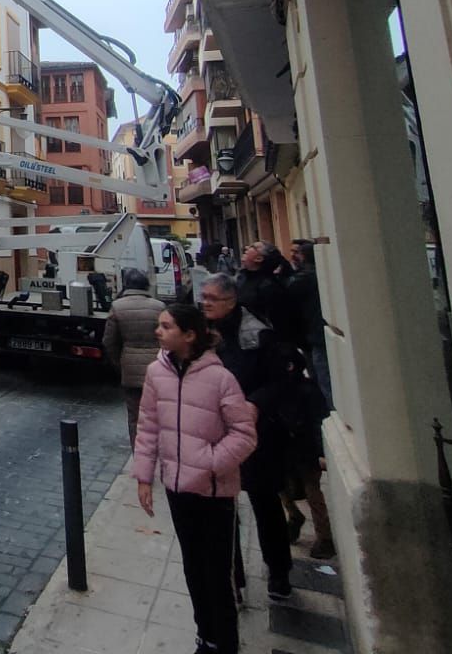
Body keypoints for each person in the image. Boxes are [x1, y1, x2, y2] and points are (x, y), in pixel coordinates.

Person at [134, 303, 257, 654]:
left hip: (214, 491)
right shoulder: (156, 374)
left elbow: (245, 434)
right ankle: (206, 638)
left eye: (166, 326)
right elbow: (148, 427)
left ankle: (226, 642)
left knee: (217, 574)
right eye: (159, 325)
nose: (159, 332)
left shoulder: (221, 378)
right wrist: (144, 476)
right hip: (176, 487)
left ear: (189, 335)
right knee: (192, 566)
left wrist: (210, 462)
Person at [199, 272, 295, 602]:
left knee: (265, 502)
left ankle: (279, 571)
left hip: (256, 435)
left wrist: (255, 405)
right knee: (222, 508)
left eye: (212, 298)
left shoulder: (258, 333)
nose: (205, 303)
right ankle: (232, 575)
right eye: (204, 297)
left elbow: (281, 383)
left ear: (231, 300)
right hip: (214, 433)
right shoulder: (200, 333)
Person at [274, 345, 336, 561]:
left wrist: (321, 452)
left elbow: (320, 420)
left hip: (306, 450)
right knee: (280, 486)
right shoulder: (279, 388)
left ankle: (325, 537)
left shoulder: (307, 390)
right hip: (285, 448)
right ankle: (294, 516)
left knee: (312, 493)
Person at [102, 266, 166, 447]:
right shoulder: (159, 307)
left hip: (130, 371)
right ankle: (160, 450)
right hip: (157, 369)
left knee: (135, 417)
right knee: (159, 413)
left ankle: (140, 457)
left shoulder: (117, 307)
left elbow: (109, 341)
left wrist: (121, 362)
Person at [286, 238, 332, 408]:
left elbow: (288, 290)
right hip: (315, 334)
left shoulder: (304, 278)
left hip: (315, 335)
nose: (293, 256)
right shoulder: (320, 274)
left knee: (323, 380)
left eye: (297, 253)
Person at [235, 242, 289, 334]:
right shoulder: (242, 278)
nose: (247, 247)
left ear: (259, 258)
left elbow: (278, 322)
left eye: (253, 247)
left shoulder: (269, 287)